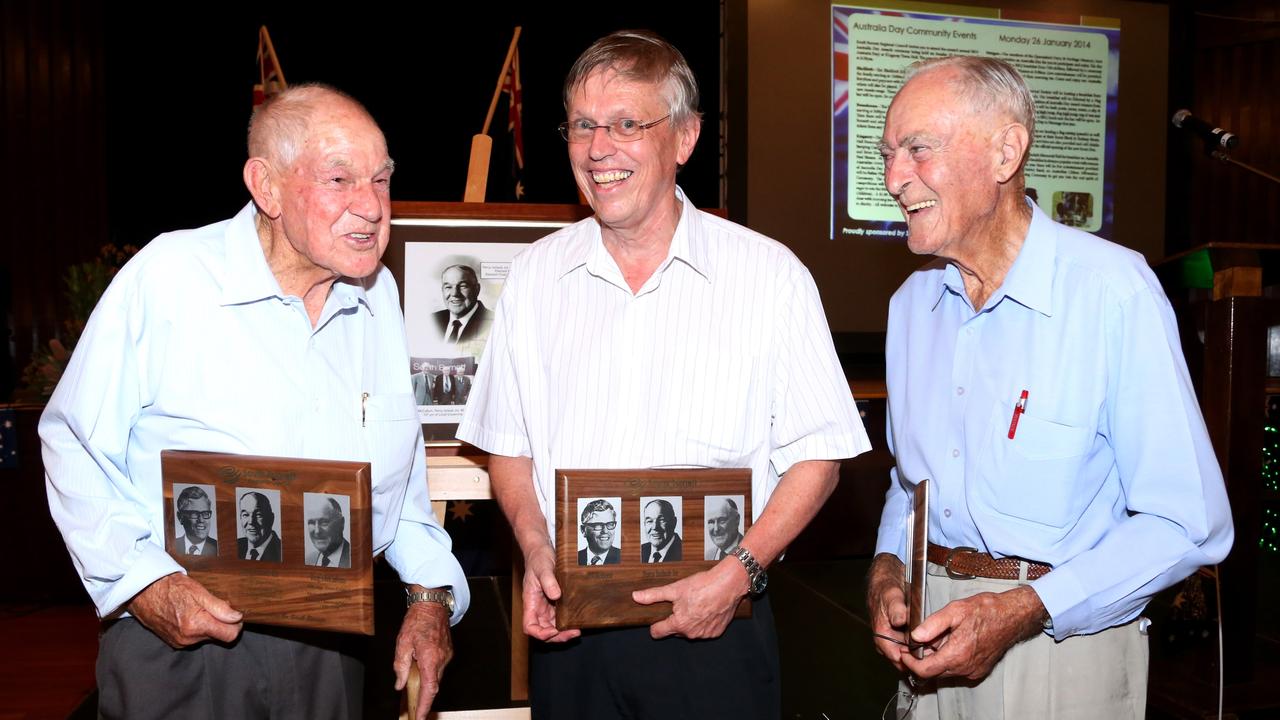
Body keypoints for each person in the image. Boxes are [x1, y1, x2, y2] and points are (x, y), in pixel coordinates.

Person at [458, 30, 869, 719]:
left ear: (684, 137)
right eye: (583, 126)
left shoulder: (769, 277)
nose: (597, 149)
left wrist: (740, 572)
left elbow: (820, 456)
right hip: (571, 637)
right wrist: (535, 550)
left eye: (626, 125)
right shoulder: (535, 277)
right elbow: (508, 446)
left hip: (718, 634)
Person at [40, 83, 467, 720]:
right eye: (339, 179)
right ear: (265, 186)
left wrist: (430, 597)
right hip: (181, 642)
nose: (372, 207)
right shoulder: (172, 278)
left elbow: (394, 483)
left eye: (381, 180)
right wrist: (145, 584)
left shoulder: (375, 297)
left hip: (331, 644)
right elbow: (72, 441)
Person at [867, 56, 1234, 719]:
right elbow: (909, 484)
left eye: (918, 149)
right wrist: (888, 567)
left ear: (1007, 150)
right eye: (888, 154)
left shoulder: (1112, 292)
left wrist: (1026, 609)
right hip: (929, 643)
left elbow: (1187, 523)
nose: (893, 178)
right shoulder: (907, 308)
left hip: (1063, 647)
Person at [431, 264, 491, 344]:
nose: (454, 293)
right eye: (448, 287)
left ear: (477, 289)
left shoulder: (492, 322)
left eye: (463, 286)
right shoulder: (433, 319)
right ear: (442, 290)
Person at [306, 496, 352, 568]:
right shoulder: (308, 560)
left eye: (324, 522)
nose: (317, 531)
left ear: (341, 523)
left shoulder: (354, 558)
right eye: (311, 523)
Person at [236, 491, 282, 562]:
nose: (251, 521)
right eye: (245, 515)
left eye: (258, 515)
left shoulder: (280, 550)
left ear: (271, 518)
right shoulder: (236, 545)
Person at [174, 486, 218, 556]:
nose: (201, 520)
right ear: (180, 517)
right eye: (194, 514)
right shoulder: (172, 547)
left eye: (205, 513)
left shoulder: (217, 548)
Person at [577, 499, 621, 566]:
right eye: (598, 525)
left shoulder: (621, 557)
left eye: (610, 524)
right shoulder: (576, 558)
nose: (605, 531)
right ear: (583, 530)